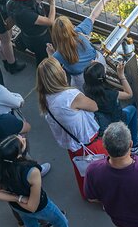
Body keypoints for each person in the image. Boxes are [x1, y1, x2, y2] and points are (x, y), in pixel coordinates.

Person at [0, 135, 93, 227]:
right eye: (21, 142)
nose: (22, 137)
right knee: (62, 223)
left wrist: (17, 199)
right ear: (18, 155)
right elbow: (33, 207)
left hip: (17, 206)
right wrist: (23, 198)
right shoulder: (31, 171)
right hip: (41, 207)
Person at [36, 57, 108, 198]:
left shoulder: (46, 98)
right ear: (59, 74)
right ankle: (106, 198)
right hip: (91, 144)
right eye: (60, 67)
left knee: (83, 171)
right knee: (103, 174)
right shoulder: (70, 95)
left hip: (74, 146)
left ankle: (90, 195)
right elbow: (94, 106)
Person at [46, 0, 111, 88]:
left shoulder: (58, 54)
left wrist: (50, 54)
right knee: (100, 82)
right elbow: (93, 15)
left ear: (55, 34)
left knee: (82, 89)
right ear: (70, 26)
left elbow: (51, 68)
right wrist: (103, 0)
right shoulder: (80, 32)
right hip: (98, 65)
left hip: (82, 77)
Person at [83, 61, 138, 151]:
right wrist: (121, 75)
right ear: (102, 78)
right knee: (132, 109)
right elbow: (129, 94)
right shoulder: (110, 94)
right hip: (118, 121)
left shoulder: (86, 88)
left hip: (103, 126)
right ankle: (134, 144)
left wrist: (94, 68)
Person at [6, 0, 54, 65]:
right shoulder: (23, 13)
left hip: (28, 37)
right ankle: (45, 76)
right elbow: (50, 21)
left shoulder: (12, 3)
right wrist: (52, 3)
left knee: (41, 58)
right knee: (44, 61)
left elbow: (29, 6)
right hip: (40, 41)